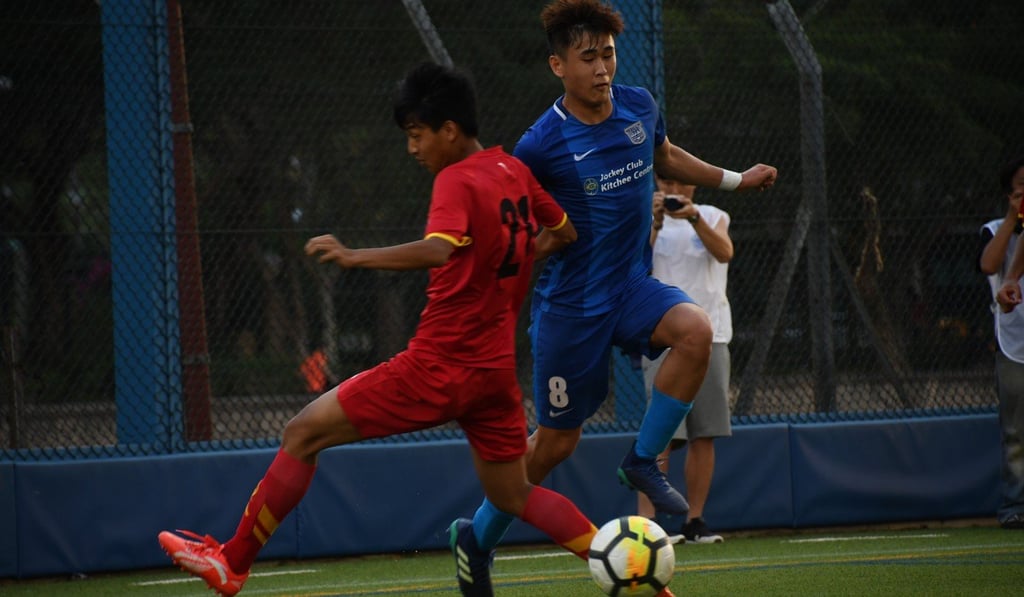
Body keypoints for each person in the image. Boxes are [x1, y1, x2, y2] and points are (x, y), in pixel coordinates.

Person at [156, 61, 607, 597]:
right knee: (514, 496)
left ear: (449, 130)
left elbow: (438, 250)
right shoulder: (513, 170)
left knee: (302, 433)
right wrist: (501, 264)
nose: (412, 148)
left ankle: (232, 563)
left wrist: (354, 256)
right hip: (493, 375)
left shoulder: (456, 179)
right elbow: (563, 231)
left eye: (417, 135)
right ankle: (621, 561)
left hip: (435, 367)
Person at [459, 0, 777, 589]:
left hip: (630, 286)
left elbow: (665, 155)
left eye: (608, 54)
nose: (602, 67)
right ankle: (476, 538)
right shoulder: (540, 144)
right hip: (570, 309)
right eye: (588, 57)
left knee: (696, 332)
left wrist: (736, 180)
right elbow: (514, 223)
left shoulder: (639, 105)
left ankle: (642, 461)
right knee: (554, 446)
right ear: (558, 65)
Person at [637, 176, 733, 544]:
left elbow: (724, 252)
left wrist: (693, 217)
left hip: (712, 335)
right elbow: (633, 265)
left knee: (704, 432)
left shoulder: (713, 215)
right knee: (659, 432)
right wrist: (655, 223)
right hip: (662, 337)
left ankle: (694, 521)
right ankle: (649, 523)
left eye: (683, 181)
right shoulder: (643, 218)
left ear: (694, 186)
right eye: (667, 180)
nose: (675, 188)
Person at [985, 154, 1024, 530]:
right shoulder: (997, 228)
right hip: (1014, 341)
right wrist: (1014, 218)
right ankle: (1015, 504)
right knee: (1015, 431)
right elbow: (987, 265)